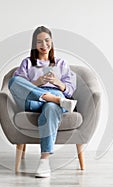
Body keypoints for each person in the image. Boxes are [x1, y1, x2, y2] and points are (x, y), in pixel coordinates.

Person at [8, 26, 77, 178]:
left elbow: (70, 89)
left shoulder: (61, 63)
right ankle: (53, 99)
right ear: (34, 44)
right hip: (34, 100)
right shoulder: (27, 63)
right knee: (13, 81)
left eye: (47, 41)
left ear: (51, 42)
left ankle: (44, 161)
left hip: (56, 98)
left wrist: (58, 82)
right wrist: (37, 82)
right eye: (39, 42)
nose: (43, 45)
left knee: (51, 108)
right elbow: (19, 86)